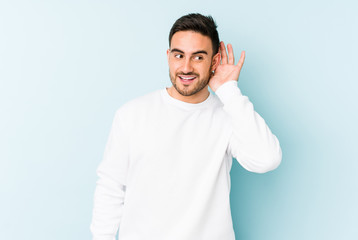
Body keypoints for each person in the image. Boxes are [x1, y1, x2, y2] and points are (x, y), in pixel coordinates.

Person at [90, 13, 282, 240]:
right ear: (168, 56)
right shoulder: (132, 114)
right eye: (179, 55)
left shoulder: (228, 115)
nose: (186, 67)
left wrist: (229, 91)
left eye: (198, 57)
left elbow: (266, 160)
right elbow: (111, 188)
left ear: (215, 61)